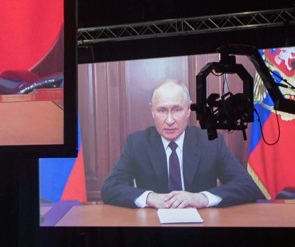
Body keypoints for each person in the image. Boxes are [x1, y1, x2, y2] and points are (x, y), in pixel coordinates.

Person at [101, 80, 261, 209]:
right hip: (153, 230)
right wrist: (150, 197)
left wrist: (202, 198)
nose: (169, 120)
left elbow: (247, 186)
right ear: (152, 111)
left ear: (188, 110)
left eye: (177, 110)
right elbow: (110, 188)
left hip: (202, 230)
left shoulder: (211, 141)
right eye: (162, 110)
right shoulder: (137, 143)